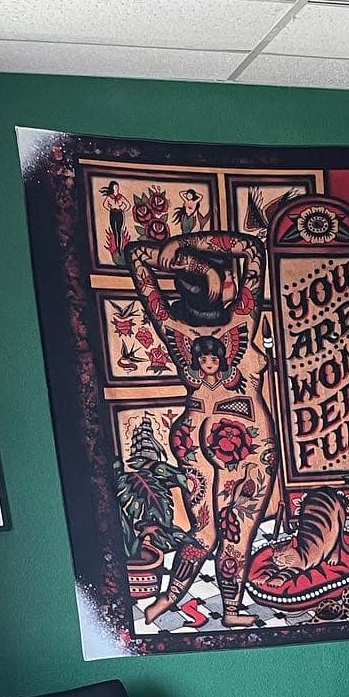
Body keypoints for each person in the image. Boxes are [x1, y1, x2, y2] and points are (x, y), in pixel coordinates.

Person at [123, 231, 277, 627]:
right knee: (231, 534)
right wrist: (194, 259)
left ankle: (169, 603)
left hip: (201, 435)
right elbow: (251, 252)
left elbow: (140, 258)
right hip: (238, 439)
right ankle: (224, 608)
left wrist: (184, 258)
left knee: (209, 532)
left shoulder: (180, 335)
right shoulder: (237, 328)